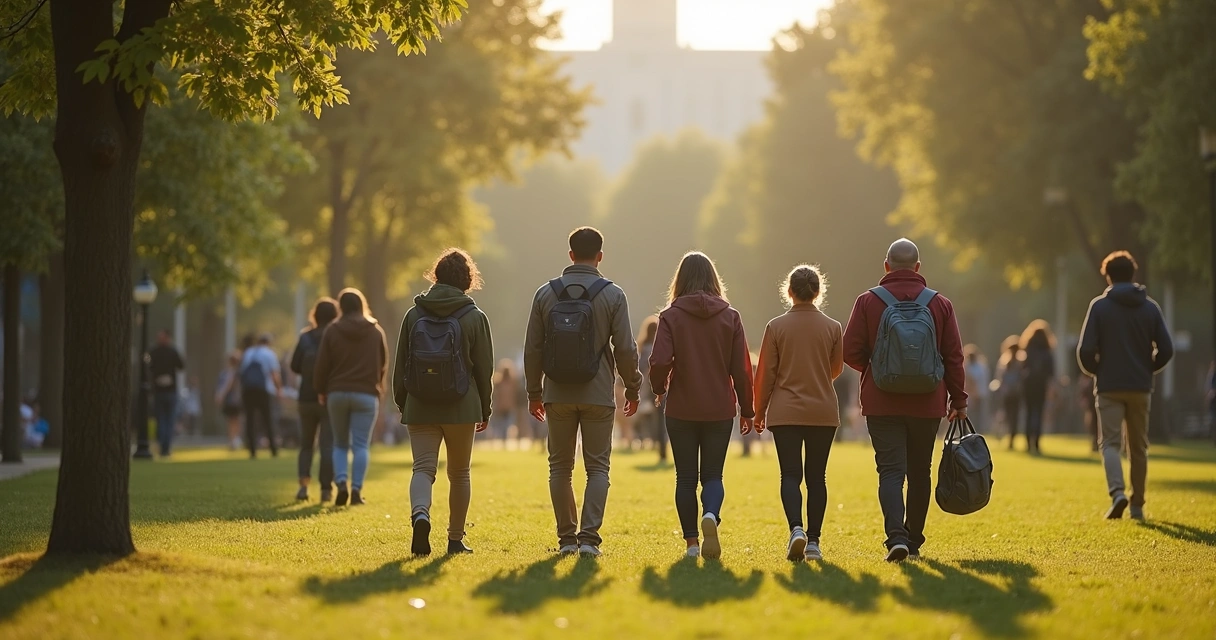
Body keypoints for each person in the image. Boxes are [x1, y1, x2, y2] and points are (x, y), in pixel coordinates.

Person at [842, 238, 967, 563]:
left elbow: (849, 351)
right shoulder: (940, 304)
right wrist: (959, 399)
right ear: (918, 268)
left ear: (886, 266)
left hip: (882, 402)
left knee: (890, 472)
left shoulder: (868, 301)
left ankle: (895, 536)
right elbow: (953, 356)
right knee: (920, 472)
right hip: (928, 401)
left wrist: (880, 367)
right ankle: (913, 540)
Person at [523, 227, 642, 557]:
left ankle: (566, 540)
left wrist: (534, 392)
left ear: (571, 255)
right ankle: (589, 539)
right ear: (600, 256)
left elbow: (532, 349)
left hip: (557, 393)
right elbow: (626, 349)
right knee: (598, 468)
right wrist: (632, 388)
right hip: (598, 392)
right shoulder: (613, 295)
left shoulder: (544, 294)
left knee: (559, 467)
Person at [649, 251, 754, 560]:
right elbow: (742, 369)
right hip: (719, 407)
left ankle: (692, 544)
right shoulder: (730, 316)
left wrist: (659, 388)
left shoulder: (670, 316)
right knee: (713, 475)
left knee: (685, 478)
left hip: (681, 407)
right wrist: (747, 409)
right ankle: (711, 513)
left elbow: (658, 361)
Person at [394, 249, 494, 555]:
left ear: (435, 275)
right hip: (462, 405)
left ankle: (421, 514)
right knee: (459, 473)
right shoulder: (474, 317)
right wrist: (485, 408)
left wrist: (404, 403)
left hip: (420, 404)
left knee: (422, 468)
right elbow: (484, 368)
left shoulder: (414, 314)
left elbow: (401, 366)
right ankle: (454, 539)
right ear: (467, 279)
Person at [754, 265, 842, 562]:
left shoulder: (776, 326)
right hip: (822, 410)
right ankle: (815, 541)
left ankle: (796, 530)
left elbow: (766, 374)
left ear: (789, 292)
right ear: (818, 292)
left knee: (790, 474)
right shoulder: (833, 327)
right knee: (817, 477)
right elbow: (836, 369)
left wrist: (758, 411)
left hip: (785, 411)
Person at [1077, 251, 1173, 520]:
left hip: (1109, 386)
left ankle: (1117, 492)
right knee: (1139, 447)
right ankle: (1138, 505)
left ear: (1108, 276)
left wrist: (1098, 370)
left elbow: (1085, 350)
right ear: (1133, 274)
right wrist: (1147, 368)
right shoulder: (1150, 307)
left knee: (1109, 443)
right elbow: (1166, 349)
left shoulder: (1099, 306)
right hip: (1141, 386)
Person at [315, 288, 389, 507]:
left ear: (341, 307)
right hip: (366, 393)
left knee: (339, 443)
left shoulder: (332, 330)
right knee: (360, 445)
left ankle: (340, 483)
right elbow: (383, 363)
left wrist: (321, 389)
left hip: (337, 392)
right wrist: (379, 386)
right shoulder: (376, 331)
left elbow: (322, 364)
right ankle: (356, 490)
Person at [290, 297, 338, 503]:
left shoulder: (305, 337)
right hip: (328, 397)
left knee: (306, 444)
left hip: (306, 398)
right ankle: (326, 489)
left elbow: (294, 366)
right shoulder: (335, 337)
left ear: (314, 315)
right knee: (328, 444)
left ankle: (303, 486)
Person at [239, 334, 284, 458]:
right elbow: (274, 373)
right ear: (268, 342)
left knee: (250, 419)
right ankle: (273, 449)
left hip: (248, 390)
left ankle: (252, 450)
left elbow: (242, 372)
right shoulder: (269, 354)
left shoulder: (248, 352)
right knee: (268, 419)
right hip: (264, 390)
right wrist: (279, 389)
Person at [1019, 320, 1056, 455]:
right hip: (1041, 385)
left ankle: (1028, 442)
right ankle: (1037, 443)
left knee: (1028, 413)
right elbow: (1051, 373)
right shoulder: (1047, 352)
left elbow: (1022, 368)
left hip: (1028, 385)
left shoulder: (1027, 350)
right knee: (1039, 413)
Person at [147, 329, 185, 457]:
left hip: (161, 391)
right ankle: (165, 447)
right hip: (168, 391)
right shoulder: (172, 351)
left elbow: (147, 364)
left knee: (163, 420)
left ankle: (164, 446)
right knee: (167, 420)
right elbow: (181, 365)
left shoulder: (154, 352)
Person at [636, 315, 668, 463]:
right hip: (666, 387)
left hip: (649, 389)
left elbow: (641, 369)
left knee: (657, 420)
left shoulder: (643, 349)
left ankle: (659, 448)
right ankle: (664, 448)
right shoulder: (664, 345)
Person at [993, 335, 1024, 449]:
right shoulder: (1021, 363)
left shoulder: (1004, 362)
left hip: (1007, 394)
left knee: (1006, 415)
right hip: (1016, 394)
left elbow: (1000, 379)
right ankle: (1011, 437)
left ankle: (1003, 435)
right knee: (1014, 417)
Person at [215, 350, 245, 451]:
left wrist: (220, 396)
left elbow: (227, 385)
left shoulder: (229, 373)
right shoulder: (239, 372)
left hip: (232, 400)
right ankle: (235, 440)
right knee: (236, 420)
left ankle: (233, 440)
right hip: (237, 400)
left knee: (232, 421)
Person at [490, 360, 519, 444]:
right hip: (503, 407)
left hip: (507, 407)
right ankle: (502, 439)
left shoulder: (513, 383)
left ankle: (505, 440)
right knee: (502, 425)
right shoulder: (499, 383)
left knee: (507, 425)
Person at [962, 345, 991, 431]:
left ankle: (974, 430)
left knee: (975, 415)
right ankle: (974, 430)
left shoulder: (970, 367)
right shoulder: (982, 366)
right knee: (975, 415)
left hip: (974, 394)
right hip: (978, 394)